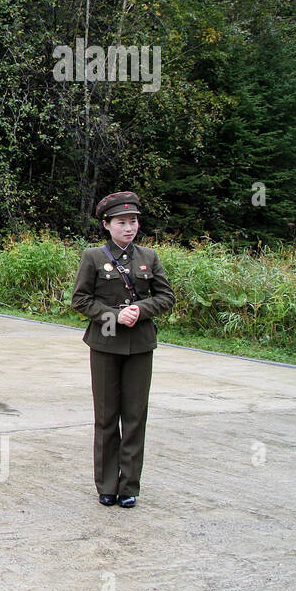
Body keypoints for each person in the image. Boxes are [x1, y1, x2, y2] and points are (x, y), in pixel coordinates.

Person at [71, 191, 175, 509]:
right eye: (121, 222)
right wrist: (115, 315)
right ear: (107, 224)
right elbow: (80, 300)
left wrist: (141, 311)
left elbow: (166, 296)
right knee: (106, 418)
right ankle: (106, 484)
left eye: (133, 221)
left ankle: (129, 486)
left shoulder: (149, 258)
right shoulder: (93, 257)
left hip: (140, 346)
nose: (129, 228)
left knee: (134, 417)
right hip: (104, 344)